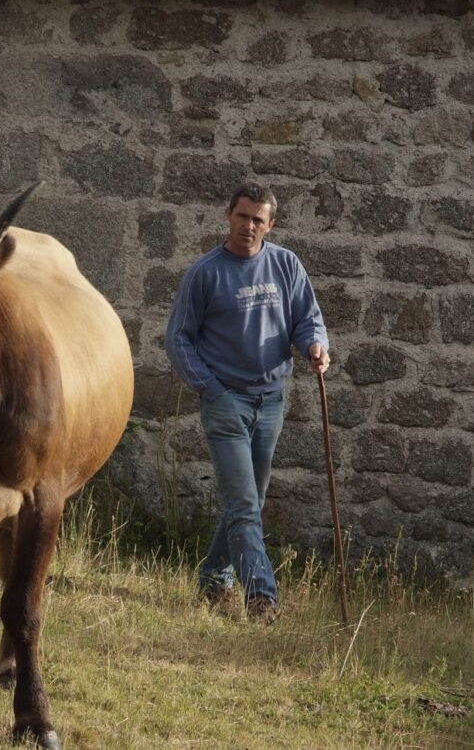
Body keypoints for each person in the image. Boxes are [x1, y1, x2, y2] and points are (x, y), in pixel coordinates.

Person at [165, 182, 329, 623]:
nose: (249, 226)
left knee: (250, 501)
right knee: (243, 504)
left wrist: (315, 345)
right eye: (242, 216)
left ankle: (214, 578)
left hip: (271, 400)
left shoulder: (285, 265)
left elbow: (307, 319)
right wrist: (210, 388)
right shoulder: (206, 273)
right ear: (228, 215)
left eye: (258, 219)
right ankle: (261, 598)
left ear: (270, 225)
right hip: (225, 401)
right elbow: (178, 339)